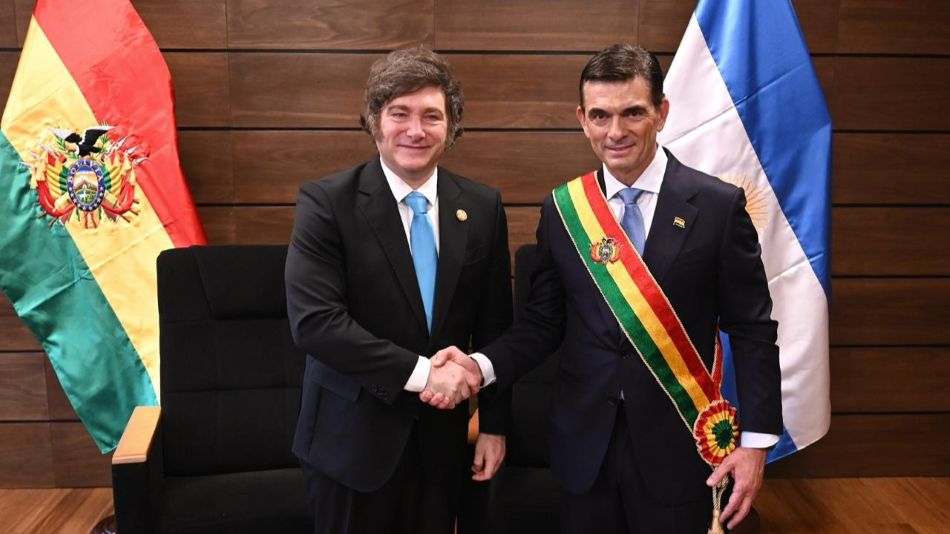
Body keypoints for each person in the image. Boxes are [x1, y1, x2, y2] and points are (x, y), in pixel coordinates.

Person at [424, 44, 782, 533]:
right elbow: (542, 323)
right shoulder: (564, 209)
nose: (616, 132)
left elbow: (752, 329)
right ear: (582, 119)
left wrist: (756, 444)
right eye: (600, 115)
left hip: (680, 445)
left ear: (661, 113)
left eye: (633, 112)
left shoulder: (718, 208)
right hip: (584, 447)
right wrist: (478, 366)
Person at [285, 45, 512, 534]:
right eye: (399, 113)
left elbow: (495, 324)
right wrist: (424, 374)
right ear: (374, 121)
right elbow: (316, 325)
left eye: (432, 116)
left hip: (441, 449)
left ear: (451, 126)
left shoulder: (482, 207)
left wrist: (494, 424)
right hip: (351, 446)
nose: (415, 130)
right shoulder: (326, 203)